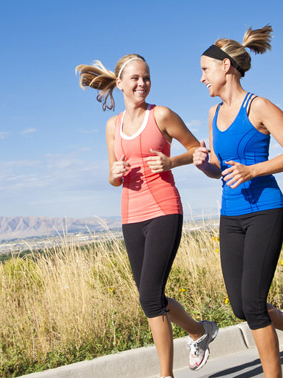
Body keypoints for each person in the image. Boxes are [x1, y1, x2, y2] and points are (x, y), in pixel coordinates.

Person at [76, 54, 218, 378]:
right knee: (150, 296)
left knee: (150, 297)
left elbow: (197, 150)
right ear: (121, 83)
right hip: (130, 216)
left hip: (164, 210)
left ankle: (165, 374)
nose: (142, 84)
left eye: (147, 77)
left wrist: (171, 162)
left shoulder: (162, 115)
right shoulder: (113, 126)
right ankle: (198, 331)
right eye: (136, 78)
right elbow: (114, 178)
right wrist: (113, 173)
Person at [193, 25, 283, 377]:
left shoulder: (259, 106)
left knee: (253, 305)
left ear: (225, 67)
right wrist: (206, 165)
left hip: (265, 209)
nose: (201, 78)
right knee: (240, 307)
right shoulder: (213, 114)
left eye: (205, 69)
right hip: (230, 214)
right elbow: (221, 169)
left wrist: (253, 171)